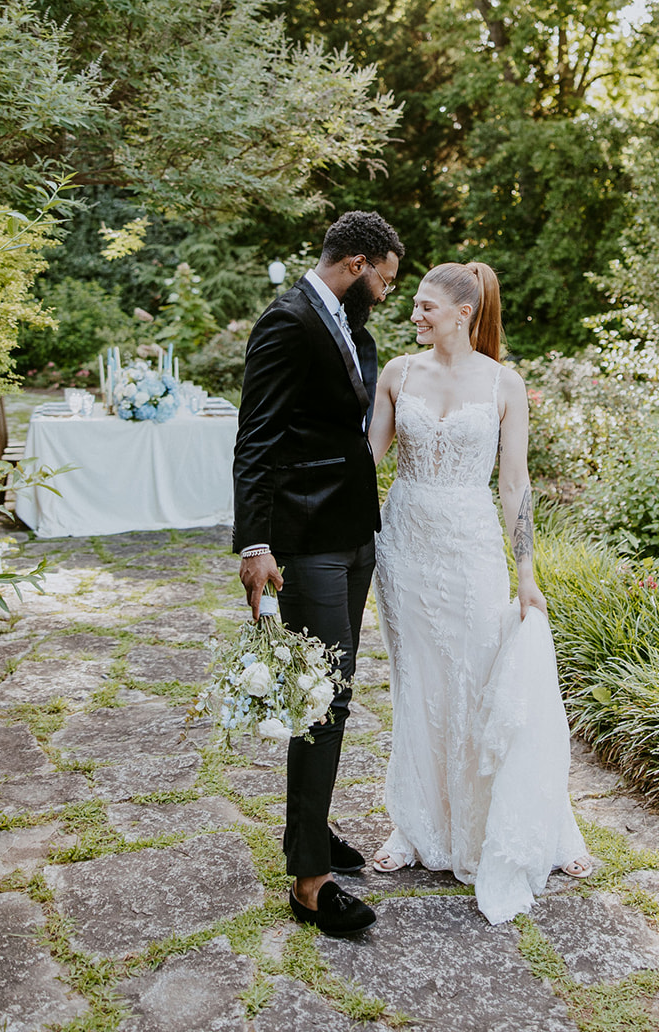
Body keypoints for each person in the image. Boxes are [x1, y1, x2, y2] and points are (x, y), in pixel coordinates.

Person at [368, 260, 591, 924]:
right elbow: (364, 461)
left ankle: (489, 824)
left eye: (426, 306)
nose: (415, 314)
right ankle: (413, 826)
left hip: (469, 548)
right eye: (414, 305)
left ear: (463, 312)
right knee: (417, 685)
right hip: (404, 544)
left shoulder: (503, 383)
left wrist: (525, 572)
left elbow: (514, 485)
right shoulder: (396, 374)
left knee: (474, 679)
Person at [232, 209, 404, 936]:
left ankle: (313, 826)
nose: (389, 294)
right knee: (318, 697)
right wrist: (254, 546)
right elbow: (257, 437)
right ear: (357, 263)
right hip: (305, 541)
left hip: (350, 533)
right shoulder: (288, 321)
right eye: (386, 279)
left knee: (336, 689)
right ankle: (308, 882)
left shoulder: (344, 322)